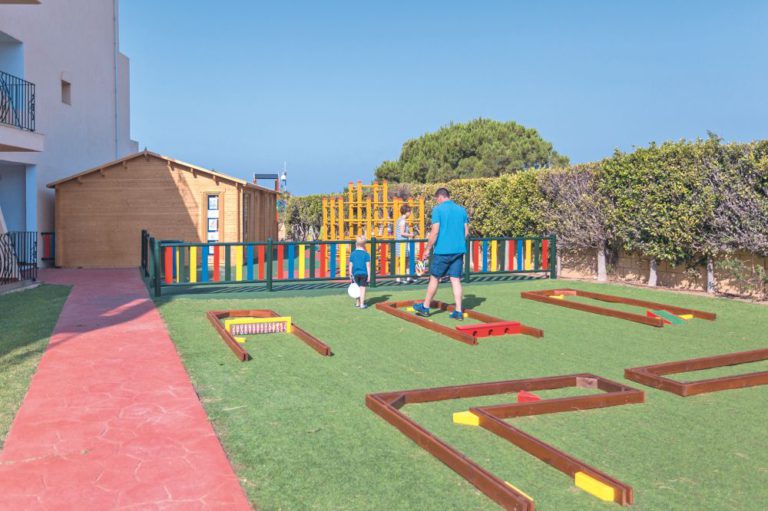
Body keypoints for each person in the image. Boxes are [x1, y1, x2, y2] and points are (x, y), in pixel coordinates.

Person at [412, 188, 468, 319]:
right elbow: (466, 232)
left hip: (442, 251)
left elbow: (435, 231)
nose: (436, 202)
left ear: (440, 197)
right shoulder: (462, 210)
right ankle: (458, 311)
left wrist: (427, 249)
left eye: (436, 199)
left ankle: (425, 307)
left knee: (435, 278)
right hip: (459, 250)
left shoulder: (437, 210)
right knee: (455, 280)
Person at [348, 235, 371, 309]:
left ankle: (357, 303)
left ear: (356, 244)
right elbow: (368, 266)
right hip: (364, 273)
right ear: (364, 245)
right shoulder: (366, 254)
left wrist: (350, 273)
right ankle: (362, 304)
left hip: (355, 274)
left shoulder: (353, 254)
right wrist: (369, 276)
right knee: (362, 289)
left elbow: (350, 264)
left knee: (356, 288)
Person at [394, 204, 415, 284]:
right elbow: (402, 233)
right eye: (409, 212)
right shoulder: (402, 221)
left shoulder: (399, 219)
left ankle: (405, 277)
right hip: (402, 243)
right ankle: (401, 278)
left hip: (401, 243)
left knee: (404, 260)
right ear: (406, 212)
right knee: (404, 260)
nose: (410, 214)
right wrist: (411, 234)